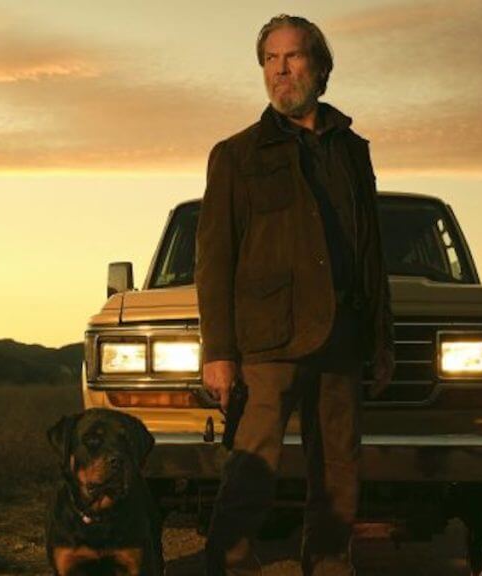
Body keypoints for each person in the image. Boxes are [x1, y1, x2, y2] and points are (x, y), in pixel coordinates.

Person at [195, 14, 396, 576]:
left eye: (293, 57)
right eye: (270, 60)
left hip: (343, 337)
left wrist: (382, 341)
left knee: (338, 470)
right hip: (267, 343)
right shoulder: (235, 154)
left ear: (321, 66)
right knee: (252, 465)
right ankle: (230, 563)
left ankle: (329, 564)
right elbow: (214, 258)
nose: (281, 71)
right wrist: (219, 351)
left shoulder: (352, 149)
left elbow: (371, 252)